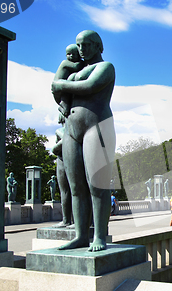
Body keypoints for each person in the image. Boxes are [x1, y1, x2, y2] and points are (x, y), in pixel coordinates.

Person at [51, 30, 116, 252]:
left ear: (99, 46)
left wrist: (61, 85)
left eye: (87, 44)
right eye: (79, 45)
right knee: (76, 186)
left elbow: (89, 87)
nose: (82, 49)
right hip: (72, 130)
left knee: (97, 184)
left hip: (97, 127)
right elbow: (57, 92)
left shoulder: (105, 67)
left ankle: (99, 236)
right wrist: (61, 92)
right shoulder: (75, 69)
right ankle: (80, 235)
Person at [53, 44, 85, 118]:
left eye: (74, 54)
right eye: (68, 54)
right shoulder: (65, 63)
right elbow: (76, 66)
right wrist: (84, 62)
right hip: (58, 88)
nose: (71, 56)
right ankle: (63, 105)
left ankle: (64, 109)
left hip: (63, 87)